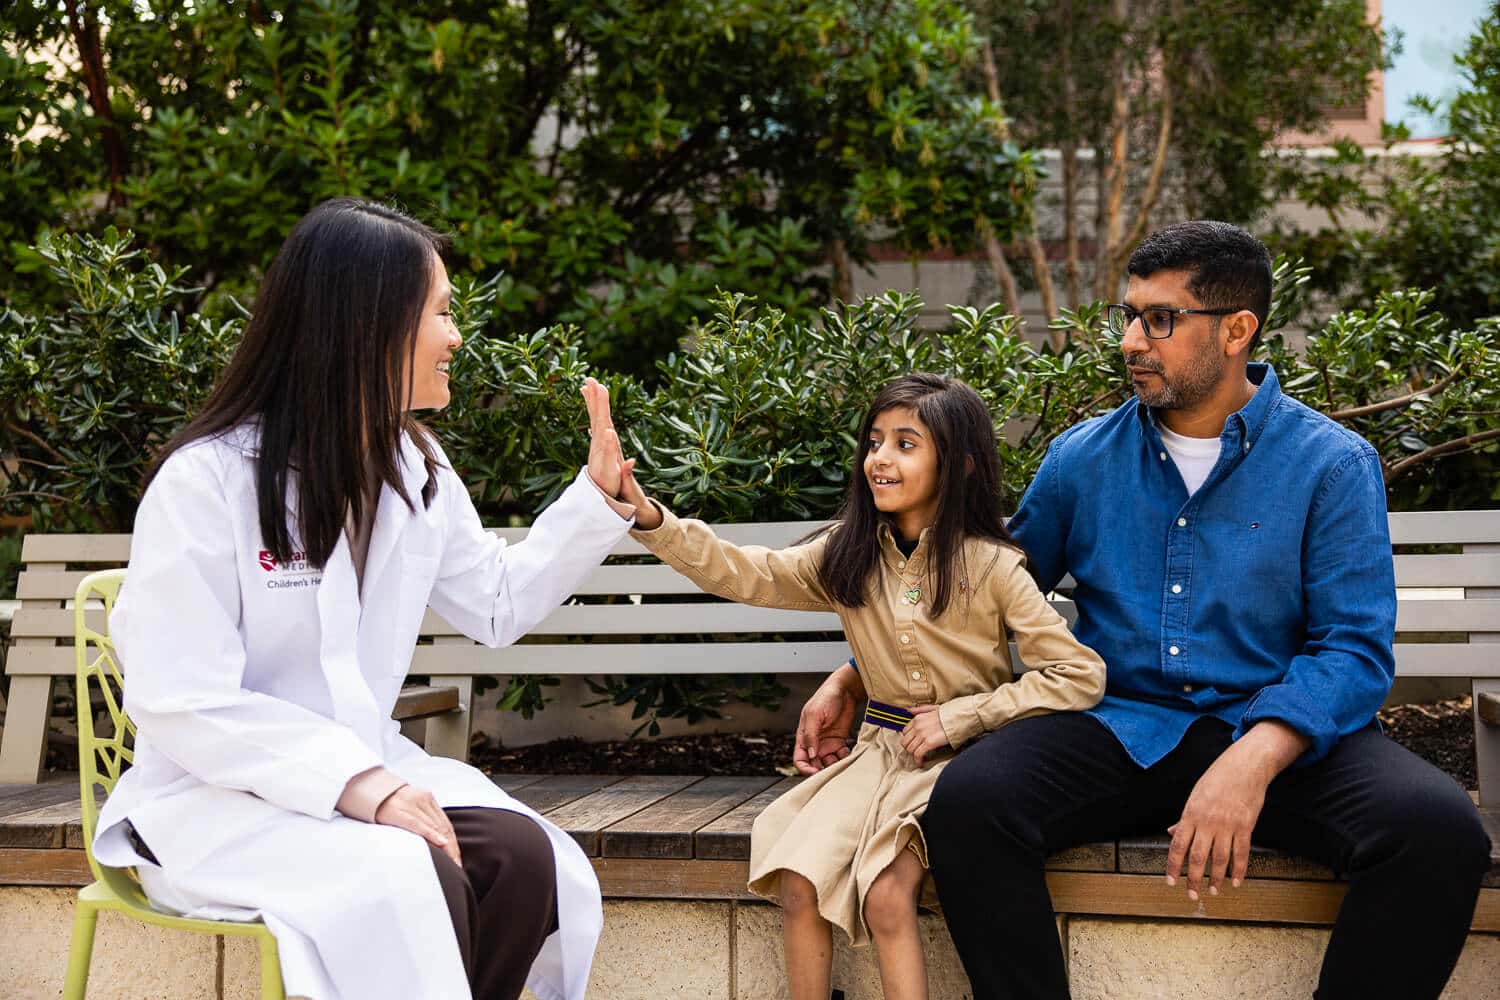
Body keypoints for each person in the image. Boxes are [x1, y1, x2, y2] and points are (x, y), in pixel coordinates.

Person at [796, 221, 1493, 999]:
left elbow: (1353, 650)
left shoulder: (1331, 464)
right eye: (1129, 315)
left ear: (1237, 329)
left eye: (1160, 319)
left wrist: (1251, 760)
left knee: (1437, 833)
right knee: (971, 805)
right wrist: (857, 675)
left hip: (1275, 737)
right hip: (1115, 725)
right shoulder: (1081, 459)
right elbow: (978, 596)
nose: (1132, 340)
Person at [92, 198, 642, 1000]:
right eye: (442, 313)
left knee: (526, 860)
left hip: (365, 770)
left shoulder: (414, 467)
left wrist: (594, 502)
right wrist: (361, 787)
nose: (456, 337)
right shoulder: (208, 482)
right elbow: (182, 699)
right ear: (367, 324)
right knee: (410, 878)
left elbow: (494, 604)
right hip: (221, 798)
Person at [617, 373, 1105, 1000]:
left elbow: (1078, 674)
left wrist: (964, 718)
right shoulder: (848, 555)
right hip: (877, 755)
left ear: (958, 466)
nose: (880, 457)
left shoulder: (993, 567)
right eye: (875, 441)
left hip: (957, 766)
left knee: (886, 894)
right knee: (797, 880)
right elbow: (746, 572)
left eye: (906, 443)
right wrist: (647, 514)